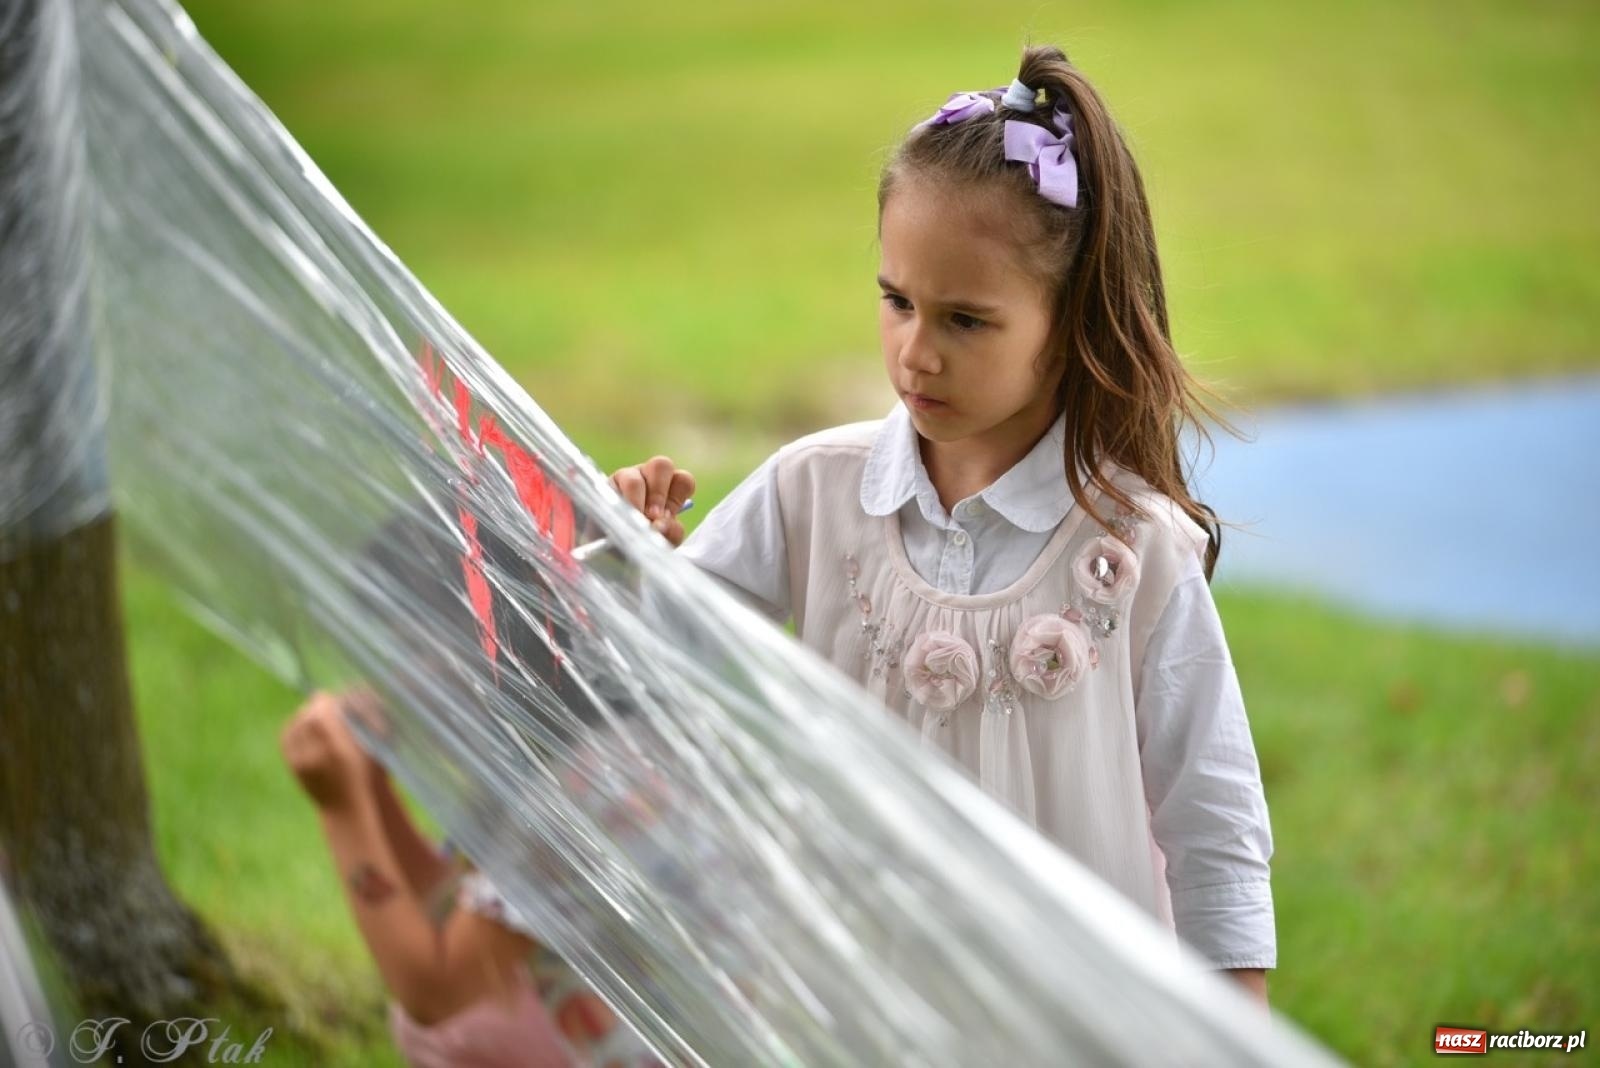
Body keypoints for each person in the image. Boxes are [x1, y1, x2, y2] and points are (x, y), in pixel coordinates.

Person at [610, 45, 1276, 1002]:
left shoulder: (1139, 547)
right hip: (857, 1008)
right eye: (896, 302)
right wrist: (643, 557)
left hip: (1075, 1019)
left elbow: (1213, 823)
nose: (915, 353)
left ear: (1071, 317)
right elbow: (636, 669)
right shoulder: (811, 493)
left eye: (966, 320)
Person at [280, 509, 665, 1066]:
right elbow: (451, 913)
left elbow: (437, 992)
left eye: (417, 646)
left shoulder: (595, 793)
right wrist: (372, 788)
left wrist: (341, 810)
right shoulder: (556, 758)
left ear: (496, 640)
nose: (398, 677)